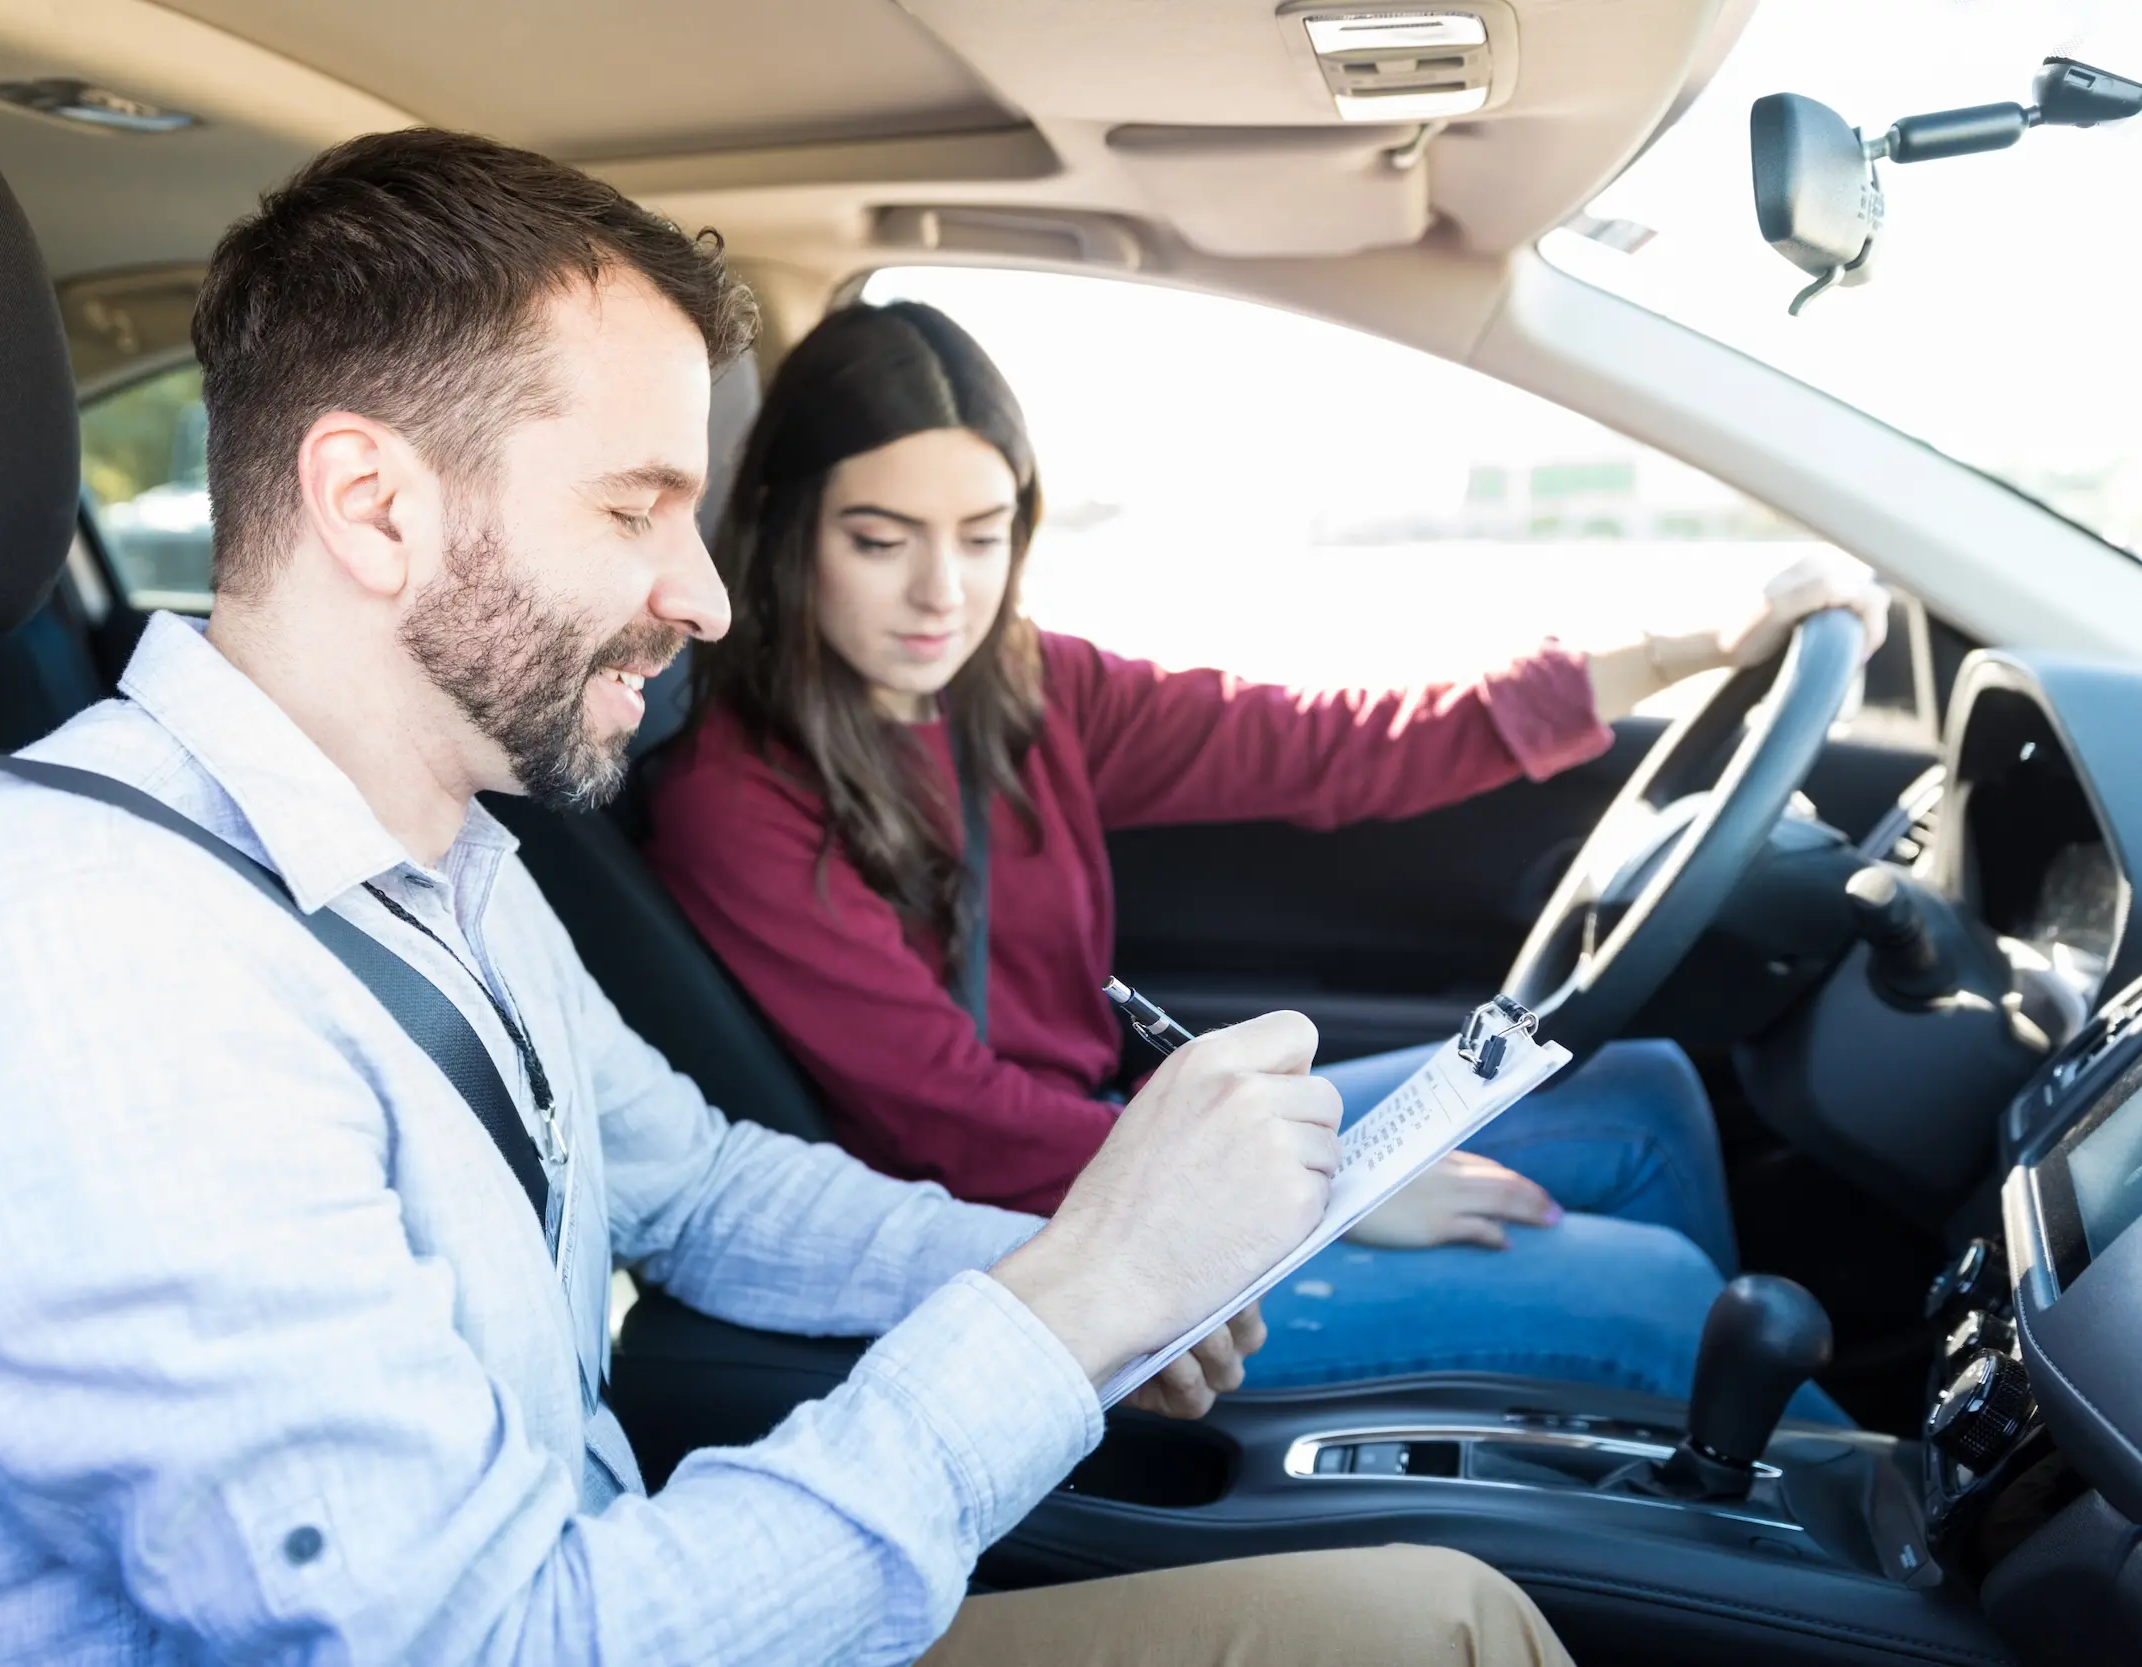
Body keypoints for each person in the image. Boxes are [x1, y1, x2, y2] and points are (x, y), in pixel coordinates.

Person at [0, 130, 1574, 1666]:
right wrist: (1072, 1300)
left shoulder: (436, 853)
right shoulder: (94, 984)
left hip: (626, 1589)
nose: (706, 596)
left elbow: (695, 1183)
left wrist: (1075, 1271)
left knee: (1437, 1623)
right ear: (372, 508)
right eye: (636, 512)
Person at [643, 300, 1884, 1405]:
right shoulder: (733, 799)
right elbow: (953, 1121)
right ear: (782, 526)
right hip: (1034, 1238)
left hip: (1130, 1137)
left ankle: (1690, 1490)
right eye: (879, 539)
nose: (942, 594)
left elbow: (1331, 746)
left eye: (981, 534)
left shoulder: (1025, 688)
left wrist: (1690, 646)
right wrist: (1319, 1186)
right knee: (1656, 1296)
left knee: (1649, 1093)